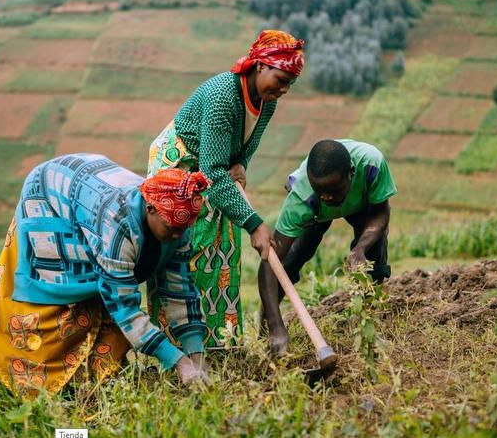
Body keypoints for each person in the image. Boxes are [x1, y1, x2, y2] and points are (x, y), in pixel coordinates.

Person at [0, 153, 212, 396]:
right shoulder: (115, 226)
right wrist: (179, 362)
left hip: (88, 185)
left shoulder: (177, 223)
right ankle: (49, 391)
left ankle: (95, 376)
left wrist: (196, 355)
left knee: (109, 285)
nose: (178, 236)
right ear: (150, 209)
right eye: (172, 229)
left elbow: (179, 289)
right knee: (69, 305)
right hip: (48, 194)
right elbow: (125, 308)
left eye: (184, 229)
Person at [147, 30, 305, 348]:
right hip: (181, 164)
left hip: (213, 166)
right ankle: (174, 349)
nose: (285, 89)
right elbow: (214, 174)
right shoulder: (223, 96)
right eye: (281, 78)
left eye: (290, 82)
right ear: (260, 66)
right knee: (186, 248)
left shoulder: (266, 102)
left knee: (222, 250)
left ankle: (220, 345)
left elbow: (245, 144)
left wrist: (241, 163)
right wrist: (255, 224)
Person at [258, 139, 397, 355]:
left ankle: (368, 322)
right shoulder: (302, 197)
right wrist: (277, 326)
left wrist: (360, 248)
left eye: (333, 190)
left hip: (362, 203)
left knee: (373, 255)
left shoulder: (372, 164)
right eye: (320, 191)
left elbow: (381, 212)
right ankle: (269, 328)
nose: (327, 197)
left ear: (351, 173)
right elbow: (270, 261)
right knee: (289, 262)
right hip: (314, 213)